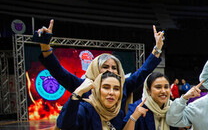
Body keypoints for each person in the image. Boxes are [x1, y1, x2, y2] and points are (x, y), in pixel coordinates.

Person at [36, 19, 164, 110]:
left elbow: (143, 71)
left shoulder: (124, 86)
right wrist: (45, 46)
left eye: (114, 68)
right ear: (96, 68)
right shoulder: (84, 86)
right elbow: (59, 72)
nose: (110, 70)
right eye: (105, 67)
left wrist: (157, 49)